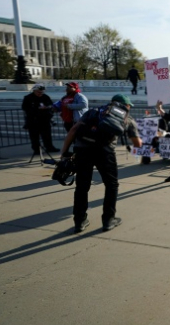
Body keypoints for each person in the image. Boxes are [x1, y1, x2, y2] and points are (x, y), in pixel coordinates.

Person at [60, 94, 142, 233]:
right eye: (129, 106)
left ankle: (79, 222)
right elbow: (137, 144)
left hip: (82, 150)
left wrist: (64, 153)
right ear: (125, 105)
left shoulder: (93, 111)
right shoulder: (127, 118)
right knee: (111, 185)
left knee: (82, 186)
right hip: (105, 152)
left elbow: (73, 130)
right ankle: (108, 220)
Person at [22, 84, 59, 153]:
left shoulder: (45, 97)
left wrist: (47, 107)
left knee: (47, 135)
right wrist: (36, 108)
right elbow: (25, 107)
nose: (40, 94)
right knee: (34, 137)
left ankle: (49, 147)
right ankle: (37, 150)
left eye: (41, 92)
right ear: (34, 91)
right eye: (38, 92)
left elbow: (51, 105)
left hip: (45, 120)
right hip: (33, 120)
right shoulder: (28, 98)